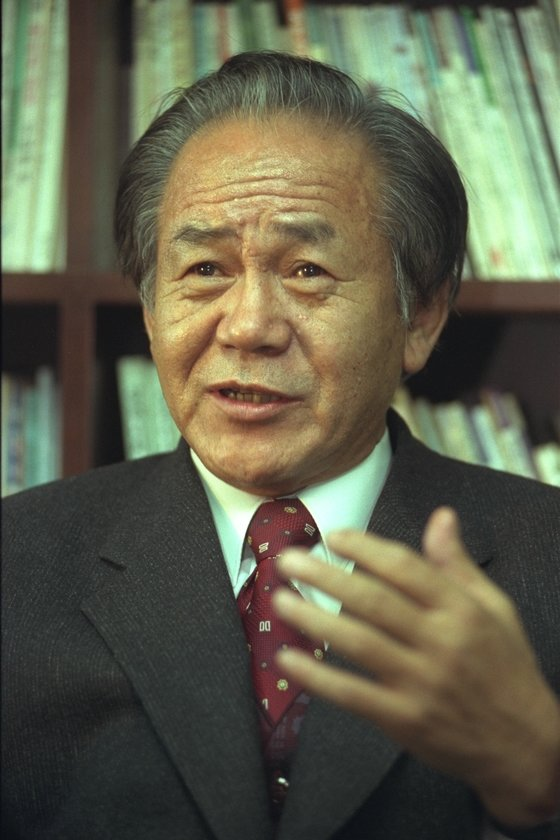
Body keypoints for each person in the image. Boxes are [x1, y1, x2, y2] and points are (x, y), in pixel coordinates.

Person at [2, 51, 559, 840]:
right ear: (152, 310)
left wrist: (541, 779)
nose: (249, 326)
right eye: (204, 269)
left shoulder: (547, 559)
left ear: (422, 316)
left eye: (306, 270)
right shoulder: (15, 568)